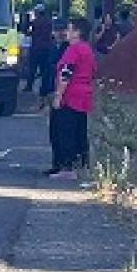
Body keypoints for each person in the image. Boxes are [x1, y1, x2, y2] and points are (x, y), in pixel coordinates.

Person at [47, 15, 97, 177]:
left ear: (77, 32)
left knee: (64, 130)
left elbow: (66, 73)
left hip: (71, 96)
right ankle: (80, 165)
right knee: (79, 131)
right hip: (84, 96)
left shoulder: (74, 49)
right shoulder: (87, 49)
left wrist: (58, 95)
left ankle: (66, 167)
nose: (66, 32)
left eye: (69, 29)